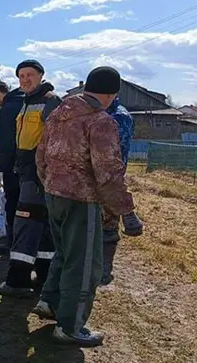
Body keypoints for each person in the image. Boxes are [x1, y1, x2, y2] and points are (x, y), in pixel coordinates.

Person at [33, 66, 144, 347]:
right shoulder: (100, 121)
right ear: (111, 94)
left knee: (64, 253)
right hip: (82, 201)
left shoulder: (59, 114)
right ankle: (70, 327)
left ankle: (51, 302)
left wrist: (51, 184)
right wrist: (127, 213)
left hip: (53, 195)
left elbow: (41, 155)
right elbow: (109, 173)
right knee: (85, 265)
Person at [0, 59, 61, 298]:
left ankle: (18, 280)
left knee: (25, 224)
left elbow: (56, 141)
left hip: (38, 174)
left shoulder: (50, 102)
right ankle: (45, 278)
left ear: (41, 75)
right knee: (43, 227)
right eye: (21, 76)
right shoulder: (27, 102)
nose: (24, 79)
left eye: (29, 75)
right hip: (27, 172)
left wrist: (42, 171)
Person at [101, 96, 134, 285]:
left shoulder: (119, 117)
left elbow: (113, 154)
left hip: (110, 181)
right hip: (91, 180)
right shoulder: (98, 111)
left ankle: (104, 270)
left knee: (108, 225)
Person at [0, 80, 25, 249]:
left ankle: (13, 242)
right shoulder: (27, 101)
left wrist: (0, 169)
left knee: (12, 202)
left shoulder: (7, 109)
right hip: (32, 164)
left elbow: (6, 145)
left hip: (14, 166)